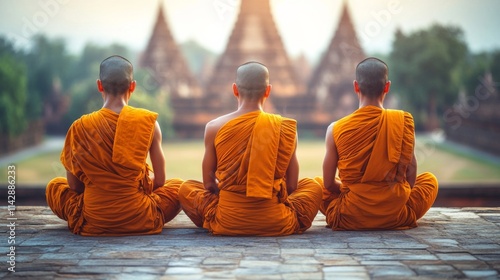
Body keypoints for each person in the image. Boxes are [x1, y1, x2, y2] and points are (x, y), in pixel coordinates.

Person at [178, 61, 323, 236]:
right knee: (313, 186)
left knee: (185, 188)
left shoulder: (213, 127)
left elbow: (208, 184)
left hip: (227, 220)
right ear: (268, 90)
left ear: (235, 90)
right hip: (277, 221)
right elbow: (292, 185)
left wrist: (232, 192)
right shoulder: (284, 127)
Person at [46, 55, 181, 236]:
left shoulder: (80, 127)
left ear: (99, 85)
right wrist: (135, 188)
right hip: (141, 216)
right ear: (132, 86)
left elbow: (75, 187)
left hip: (93, 217)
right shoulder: (148, 123)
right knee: (179, 187)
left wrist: (103, 191)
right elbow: (161, 181)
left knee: (54, 187)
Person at [317, 57, 438, 230]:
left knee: (316, 185)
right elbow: (411, 179)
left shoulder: (334, 129)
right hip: (395, 214)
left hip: (350, 215)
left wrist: (354, 190)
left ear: (356, 86)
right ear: (387, 86)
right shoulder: (402, 122)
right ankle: (391, 210)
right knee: (429, 181)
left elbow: (328, 184)